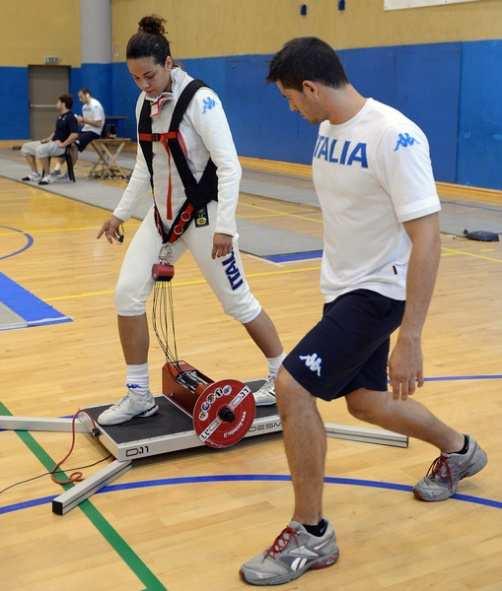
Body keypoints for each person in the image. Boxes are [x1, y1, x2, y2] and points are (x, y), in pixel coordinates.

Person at [240, 37, 488, 586]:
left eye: (290, 99)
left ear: (311, 87)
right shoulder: (329, 131)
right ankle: (460, 450)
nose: (291, 109)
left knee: (292, 386)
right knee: (367, 403)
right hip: (344, 288)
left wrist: (413, 337)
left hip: (380, 294)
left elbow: (427, 239)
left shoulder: (393, 136)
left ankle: (311, 534)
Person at [96, 15, 284, 426]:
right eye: (135, 79)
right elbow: (146, 170)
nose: (143, 85)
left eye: (149, 75)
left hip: (204, 218)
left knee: (237, 302)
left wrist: (226, 227)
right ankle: (138, 394)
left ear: (169, 62)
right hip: (161, 219)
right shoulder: (144, 103)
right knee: (126, 295)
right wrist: (118, 214)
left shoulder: (202, 100)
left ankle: (281, 378)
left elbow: (230, 167)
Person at [21, 94, 79, 185]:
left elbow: (75, 134)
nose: (56, 104)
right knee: (26, 147)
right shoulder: (60, 116)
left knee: (41, 149)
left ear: (63, 104)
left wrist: (63, 144)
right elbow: (56, 131)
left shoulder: (71, 117)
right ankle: (35, 173)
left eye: (58, 102)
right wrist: (48, 139)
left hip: (61, 147)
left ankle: (47, 176)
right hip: (52, 143)